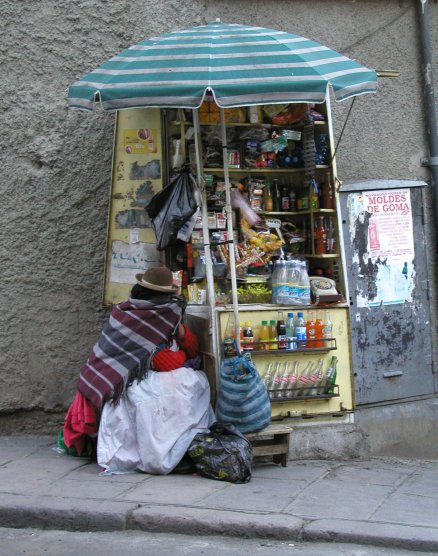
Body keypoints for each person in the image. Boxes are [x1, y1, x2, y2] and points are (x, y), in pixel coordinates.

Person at [62, 266, 215, 473]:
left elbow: (189, 346)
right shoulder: (145, 315)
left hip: (112, 375)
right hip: (119, 380)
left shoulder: (134, 310)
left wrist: (182, 332)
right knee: (190, 384)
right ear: (163, 296)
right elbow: (163, 362)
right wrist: (185, 356)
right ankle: (166, 451)